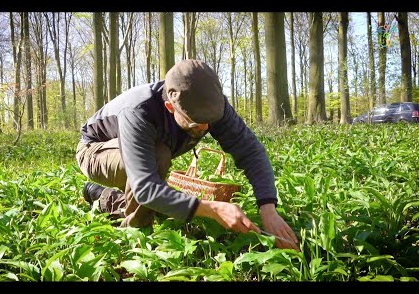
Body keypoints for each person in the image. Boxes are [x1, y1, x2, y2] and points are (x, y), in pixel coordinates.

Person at [76, 59, 299, 251]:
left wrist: (268, 208)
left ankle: (101, 196)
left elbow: (250, 150)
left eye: (208, 122)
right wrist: (211, 210)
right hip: (95, 151)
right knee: (158, 157)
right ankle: (136, 234)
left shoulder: (212, 104)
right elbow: (145, 187)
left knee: (160, 185)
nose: (203, 128)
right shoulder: (139, 111)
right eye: (195, 122)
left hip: (141, 153)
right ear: (171, 108)